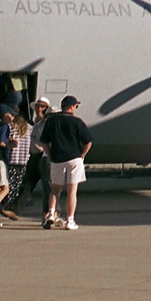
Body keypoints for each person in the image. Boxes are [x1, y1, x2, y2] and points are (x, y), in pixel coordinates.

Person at [37, 95, 93, 230]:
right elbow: (88, 141)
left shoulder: (52, 121)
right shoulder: (77, 122)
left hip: (57, 158)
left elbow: (43, 141)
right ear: (71, 107)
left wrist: (50, 154)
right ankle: (70, 220)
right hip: (74, 158)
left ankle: (51, 213)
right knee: (72, 190)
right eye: (76, 106)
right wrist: (82, 155)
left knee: (55, 190)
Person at [19, 97, 52, 208]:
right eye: (37, 106)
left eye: (42, 107)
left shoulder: (46, 122)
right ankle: (16, 208)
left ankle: (51, 209)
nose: (39, 108)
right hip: (33, 155)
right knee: (28, 181)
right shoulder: (36, 121)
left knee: (47, 184)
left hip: (42, 154)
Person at [0, 110, 30, 220]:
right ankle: (9, 205)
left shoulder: (11, 127)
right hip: (23, 160)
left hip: (11, 159)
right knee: (17, 184)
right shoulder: (29, 128)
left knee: (8, 183)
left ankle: (3, 204)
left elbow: (7, 141)